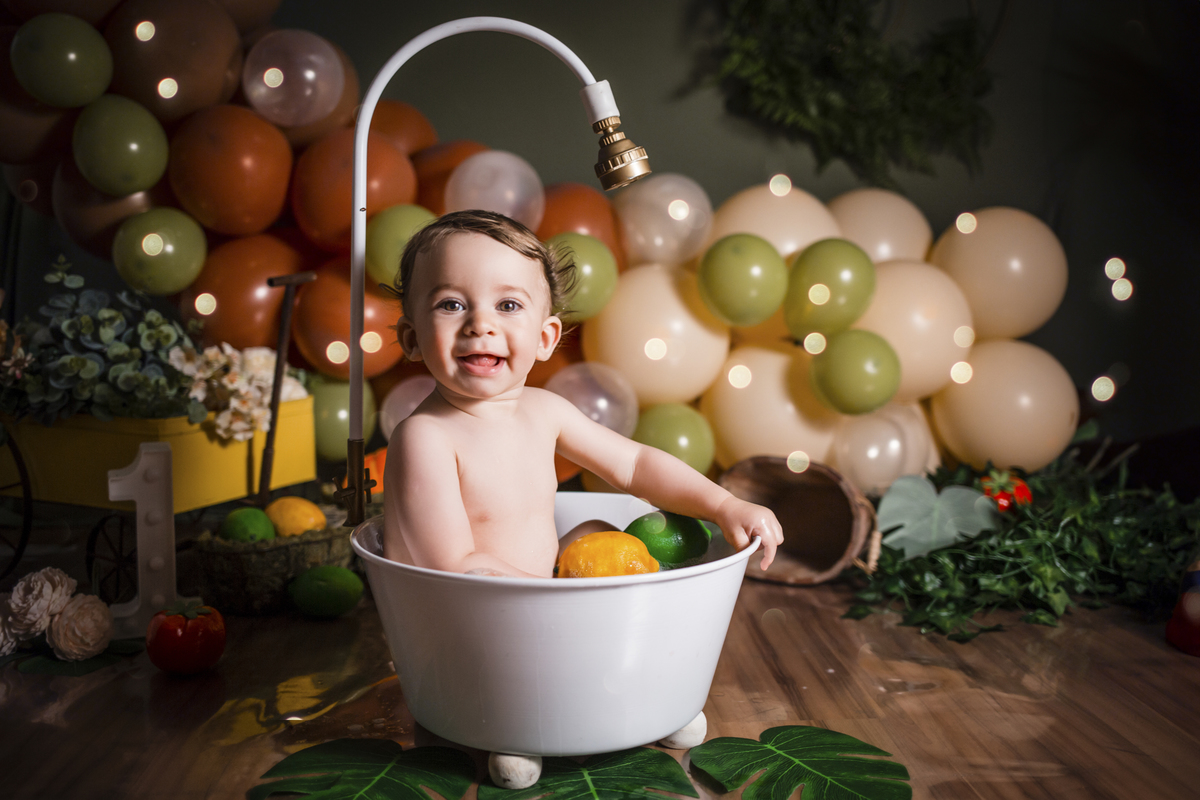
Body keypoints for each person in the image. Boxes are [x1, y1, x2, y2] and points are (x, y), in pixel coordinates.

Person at [382, 209, 783, 578]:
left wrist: (724, 506)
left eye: (507, 304)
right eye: (451, 304)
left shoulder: (545, 411)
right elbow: (455, 570)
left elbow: (637, 465)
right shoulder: (426, 438)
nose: (480, 324)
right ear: (412, 339)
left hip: (534, 601)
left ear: (544, 338)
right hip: (469, 623)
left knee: (598, 536)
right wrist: (562, 599)